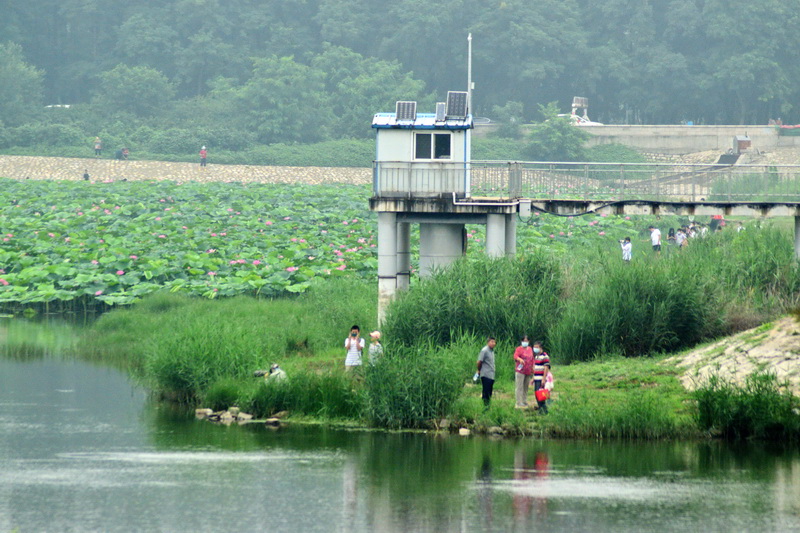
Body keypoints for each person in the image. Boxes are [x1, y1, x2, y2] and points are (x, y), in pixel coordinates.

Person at [513, 335, 535, 408]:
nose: (525, 342)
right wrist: (520, 359)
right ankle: (519, 401)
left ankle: (524, 400)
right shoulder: (519, 349)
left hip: (528, 370)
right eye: (524, 341)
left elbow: (532, 359)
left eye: (526, 341)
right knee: (519, 386)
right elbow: (515, 356)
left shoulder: (530, 349)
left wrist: (533, 368)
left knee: (526, 386)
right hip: (520, 370)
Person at [476, 337, 496, 409]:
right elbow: (479, 361)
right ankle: (485, 407)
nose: (493, 343)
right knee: (486, 391)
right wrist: (479, 370)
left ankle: (488, 406)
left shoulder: (491, 351)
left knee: (490, 391)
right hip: (485, 374)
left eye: (494, 342)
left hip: (491, 374)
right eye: (492, 342)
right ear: (488, 342)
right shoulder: (484, 350)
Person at [532, 341, 550, 413]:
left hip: (541, 379)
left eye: (537, 347)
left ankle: (544, 409)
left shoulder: (545, 356)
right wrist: (533, 378)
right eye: (534, 347)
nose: (535, 349)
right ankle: (540, 408)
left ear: (541, 348)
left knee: (541, 395)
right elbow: (536, 368)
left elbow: (546, 367)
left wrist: (544, 378)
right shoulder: (536, 356)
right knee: (537, 394)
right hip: (536, 378)